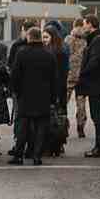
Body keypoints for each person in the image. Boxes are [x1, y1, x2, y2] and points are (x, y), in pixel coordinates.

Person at [9, 27, 58, 165]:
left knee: (23, 127)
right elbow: (54, 79)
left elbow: (15, 76)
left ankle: (18, 155)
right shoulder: (49, 55)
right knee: (41, 128)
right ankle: (37, 156)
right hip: (44, 97)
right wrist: (53, 98)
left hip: (25, 96)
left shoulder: (22, 53)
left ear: (29, 37)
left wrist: (17, 92)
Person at [76, 15, 100, 157]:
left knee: (98, 116)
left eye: (84, 24)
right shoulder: (97, 39)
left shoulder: (98, 40)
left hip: (96, 83)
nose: (83, 27)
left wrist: (83, 73)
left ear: (90, 24)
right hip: (96, 82)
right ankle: (99, 146)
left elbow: (95, 61)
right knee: (97, 115)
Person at [42, 24, 70, 157]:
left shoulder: (55, 52)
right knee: (58, 119)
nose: (44, 40)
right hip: (58, 89)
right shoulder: (61, 50)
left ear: (53, 37)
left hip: (55, 89)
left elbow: (59, 74)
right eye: (43, 37)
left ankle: (52, 145)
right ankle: (57, 145)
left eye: (46, 37)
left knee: (53, 119)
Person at [67, 18, 89, 139]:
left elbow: (65, 53)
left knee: (64, 102)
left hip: (69, 74)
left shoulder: (68, 39)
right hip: (82, 75)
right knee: (81, 103)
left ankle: (62, 125)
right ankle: (80, 127)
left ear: (74, 25)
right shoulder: (87, 40)